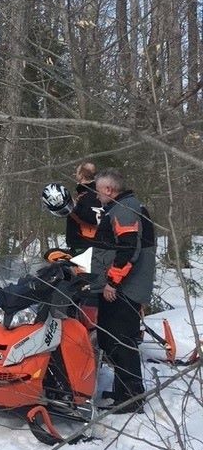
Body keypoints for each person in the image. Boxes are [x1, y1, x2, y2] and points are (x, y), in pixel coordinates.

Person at [91, 168, 155, 413]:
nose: (97, 197)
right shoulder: (124, 207)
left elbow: (129, 251)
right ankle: (123, 392)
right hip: (121, 287)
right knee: (112, 339)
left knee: (121, 341)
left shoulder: (126, 210)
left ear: (109, 190)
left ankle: (130, 398)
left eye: (98, 192)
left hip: (124, 290)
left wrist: (112, 283)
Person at [66, 159, 101, 254]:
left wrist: (73, 209)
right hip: (82, 243)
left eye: (77, 172)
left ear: (82, 175)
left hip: (84, 245)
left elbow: (92, 217)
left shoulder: (90, 194)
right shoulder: (85, 193)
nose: (75, 174)